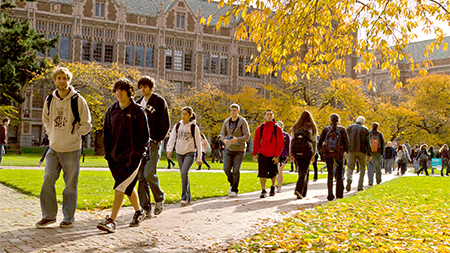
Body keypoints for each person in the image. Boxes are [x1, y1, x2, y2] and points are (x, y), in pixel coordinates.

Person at [36, 67, 92, 229]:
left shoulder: (78, 100)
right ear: (54, 80)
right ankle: (48, 216)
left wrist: (74, 135)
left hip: (72, 149)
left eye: (65, 78)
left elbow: (86, 124)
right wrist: (50, 133)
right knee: (47, 181)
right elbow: (45, 119)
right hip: (53, 148)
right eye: (58, 78)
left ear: (69, 80)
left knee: (69, 186)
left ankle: (68, 217)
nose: (62, 81)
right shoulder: (50, 99)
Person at [97, 78, 149, 233]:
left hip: (132, 157)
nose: (118, 93)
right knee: (126, 186)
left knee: (120, 186)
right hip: (114, 157)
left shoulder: (138, 111)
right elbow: (107, 134)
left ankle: (111, 221)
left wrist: (138, 154)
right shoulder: (111, 110)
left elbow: (145, 137)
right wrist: (108, 154)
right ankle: (139, 212)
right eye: (116, 90)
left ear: (129, 91)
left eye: (121, 89)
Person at [136, 76, 170, 218]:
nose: (143, 89)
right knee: (140, 177)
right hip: (140, 145)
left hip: (154, 143)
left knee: (149, 173)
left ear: (151, 87)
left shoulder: (159, 102)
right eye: (141, 87)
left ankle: (159, 198)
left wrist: (157, 139)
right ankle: (145, 207)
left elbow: (165, 123)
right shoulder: (138, 103)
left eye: (145, 87)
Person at [166, 107, 202, 206]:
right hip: (179, 152)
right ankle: (188, 196)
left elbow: (198, 143)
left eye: (185, 114)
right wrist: (169, 149)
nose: (183, 116)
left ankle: (184, 197)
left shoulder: (194, 127)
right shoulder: (177, 126)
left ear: (190, 115)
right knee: (183, 175)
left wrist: (199, 157)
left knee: (184, 173)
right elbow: (172, 138)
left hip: (190, 152)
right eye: (182, 114)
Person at [221, 104, 251, 197]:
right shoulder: (227, 121)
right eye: (231, 110)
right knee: (226, 169)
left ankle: (234, 189)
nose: (232, 112)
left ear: (238, 111)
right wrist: (224, 140)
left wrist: (237, 139)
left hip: (239, 149)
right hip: (229, 149)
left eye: (234, 110)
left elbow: (247, 136)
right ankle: (232, 183)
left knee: (236, 170)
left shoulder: (242, 122)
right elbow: (222, 134)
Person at [252, 110, 283, 198]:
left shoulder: (277, 129)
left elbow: (280, 143)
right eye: (267, 115)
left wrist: (277, 155)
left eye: (271, 115)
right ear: (265, 116)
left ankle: (273, 187)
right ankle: (263, 189)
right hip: (263, 154)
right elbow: (257, 141)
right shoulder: (260, 128)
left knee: (273, 173)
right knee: (262, 173)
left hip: (273, 155)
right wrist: (255, 153)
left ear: (273, 116)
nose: (269, 116)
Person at [318, 113, 349, 201]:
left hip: (328, 154)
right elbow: (347, 143)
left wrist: (322, 153)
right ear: (338, 120)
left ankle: (330, 194)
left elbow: (319, 143)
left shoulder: (326, 129)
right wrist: (345, 151)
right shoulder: (342, 129)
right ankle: (339, 194)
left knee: (330, 173)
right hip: (338, 154)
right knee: (339, 174)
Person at [290, 110, 317, 199]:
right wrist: (314, 153)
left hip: (297, 152)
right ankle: (299, 189)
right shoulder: (311, 127)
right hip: (307, 152)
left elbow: (292, 141)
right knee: (304, 171)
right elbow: (314, 141)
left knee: (302, 170)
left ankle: (303, 192)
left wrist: (292, 153)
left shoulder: (295, 127)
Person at [346, 116, 371, 192]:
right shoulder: (365, 129)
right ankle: (360, 185)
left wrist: (346, 150)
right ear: (363, 122)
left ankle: (349, 178)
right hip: (362, 151)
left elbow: (346, 139)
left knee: (350, 167)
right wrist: (369, 154)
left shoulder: (350, 128)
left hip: (351, 150)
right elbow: (368, 142)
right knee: (362, 168)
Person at [275, 121, 290, 192]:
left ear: (282, 127)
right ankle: (278, 183)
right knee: (276, 171)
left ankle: (279, 187)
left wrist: (290, 155)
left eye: (280, 125)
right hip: (274, 155)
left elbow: (289, 146)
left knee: (280, 171)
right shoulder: (273, 134)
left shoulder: (285, 135)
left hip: (283, 155)